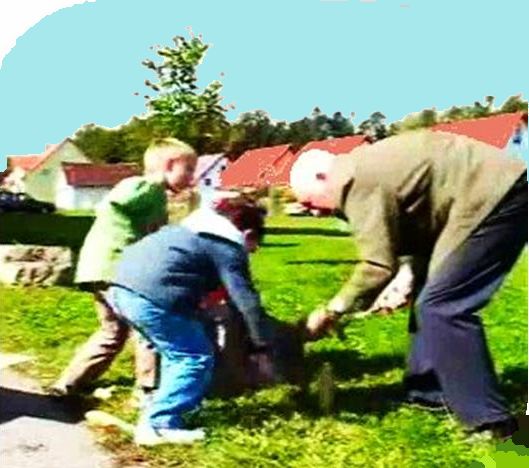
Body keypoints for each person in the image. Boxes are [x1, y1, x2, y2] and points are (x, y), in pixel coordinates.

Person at [294, 129, 527, 439]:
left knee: (443, 307)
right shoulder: (365, 166)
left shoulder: (353, 181)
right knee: (429, 295)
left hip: (495, 196)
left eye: (310, 202)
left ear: (323, 177)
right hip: (492, 191)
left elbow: (376, 265)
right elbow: (421, 223)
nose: (313, 212)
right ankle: (427, 390)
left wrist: (332, 310)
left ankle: (491, 421)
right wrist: (408, 276)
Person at [105, 196, 274, 446]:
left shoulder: (189, 229)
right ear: (247, 233)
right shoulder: (227, 245)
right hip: (153, 297)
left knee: (179, 352)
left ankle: (165, 406)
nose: (255, 250)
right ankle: (160, 423)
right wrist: (262, 346)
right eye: (256, 243)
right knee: (193, 358)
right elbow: (246, 301)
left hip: (121, 289)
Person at [51, 138, 197, 398]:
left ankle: (68, 384)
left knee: (113, 332)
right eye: (188, 170)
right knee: (148, 326)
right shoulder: (145, 187)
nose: (192, 177)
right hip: (117, 269)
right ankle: (148, 390)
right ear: (169, 165)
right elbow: (115, 202)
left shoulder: (156, 197)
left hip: (98, 268)